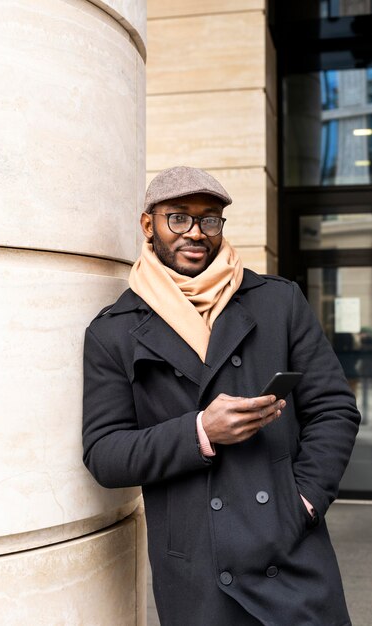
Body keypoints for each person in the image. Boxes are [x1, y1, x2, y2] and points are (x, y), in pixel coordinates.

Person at [82, 166, 360, 626]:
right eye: (179, 218)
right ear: (148, 225)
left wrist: (304, 502)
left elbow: (334, 408)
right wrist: (198, 432)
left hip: (291, 558)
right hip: (198, 570)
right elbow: (105, 453)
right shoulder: (114, 330)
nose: (195, 232)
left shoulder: (277, 302)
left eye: (209, 219)